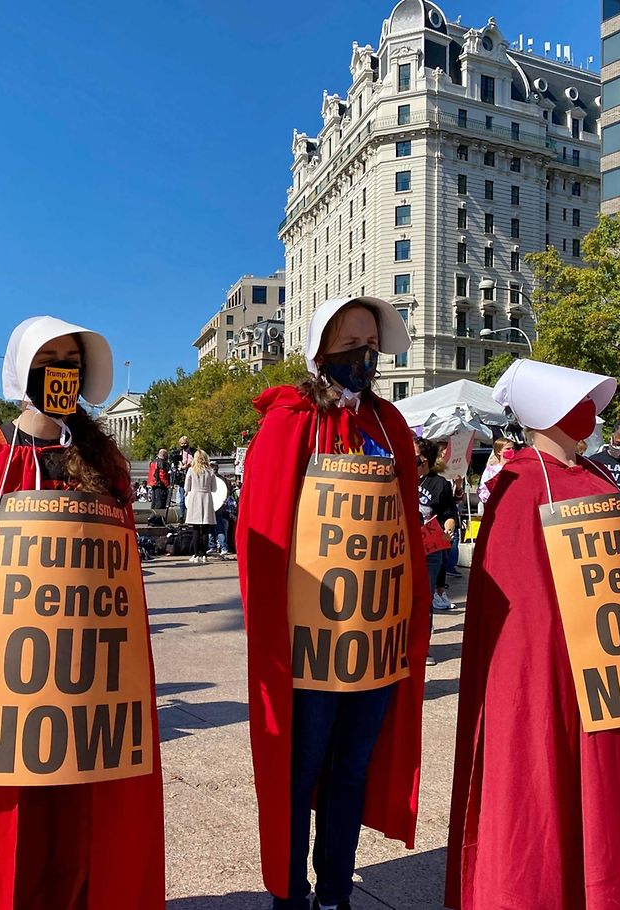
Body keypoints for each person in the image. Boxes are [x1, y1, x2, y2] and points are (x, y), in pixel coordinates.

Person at [0, 315, 165, 909]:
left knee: (79, 824)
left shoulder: (106, 463)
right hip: (9, 685)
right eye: (51, 358)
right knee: (11, 834)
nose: (62, 371)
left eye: (72, 359)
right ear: (24, 368)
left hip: (87, 679)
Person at [446, 358, 620, 910]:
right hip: (567, 667)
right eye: (577, 402)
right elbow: (519, 605)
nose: (590, 413)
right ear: (550, 410)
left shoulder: (597, 476)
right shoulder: (519, 481)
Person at [237, 296, 431, 910]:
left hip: (372, 635)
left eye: (372, 345)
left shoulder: (389, 425)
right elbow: (262, 527)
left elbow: (402, 518)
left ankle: (335, 890)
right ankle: (292, 893)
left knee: (351, 769)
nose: (365, 356)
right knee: (303, 770)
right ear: (324, 346)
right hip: (310, 642)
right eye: (353, 343)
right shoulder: (291, 419)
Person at [417, 437, 459, 613]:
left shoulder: (439, 484)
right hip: (403, 547)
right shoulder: (399, 477)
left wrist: (448, 530)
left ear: (424, 458)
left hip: (429, 549)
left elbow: (449, 515)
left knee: (425, 596)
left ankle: (425, 632)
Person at [184, 449, 216, 564]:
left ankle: (196, 554)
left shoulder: (191, 470)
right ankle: (205, 554)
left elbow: (186, 487)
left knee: (196, 528)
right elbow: (214, 488)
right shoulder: (210, 471)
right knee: (206, 529)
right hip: (206, 498)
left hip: (195, 498)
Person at [477, 437, 512, 513]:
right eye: (508, 449)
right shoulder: (491, 471)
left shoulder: (517, 468)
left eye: (512, 448)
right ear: (499, 451)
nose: (511, 451)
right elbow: (482, 490)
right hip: (495, 509)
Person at [171, 435, 194, 520]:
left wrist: (188, 465)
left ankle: (190, 515)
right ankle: (181, 516)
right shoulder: (178, 452)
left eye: (185, 443)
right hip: (182, 477)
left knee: (190, 497)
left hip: (192, 475)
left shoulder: (193, 451)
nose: (184, 445)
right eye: (182, 443)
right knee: (181, 498)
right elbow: (174, 464)